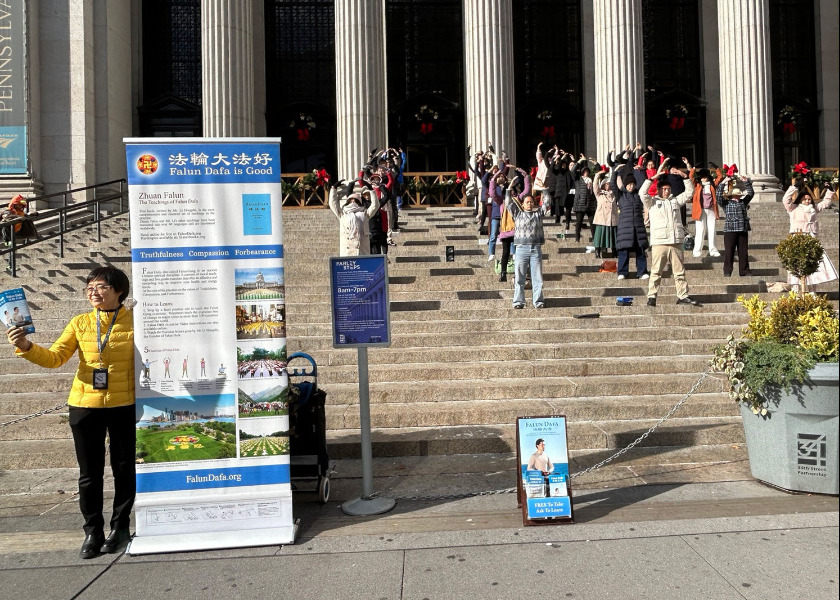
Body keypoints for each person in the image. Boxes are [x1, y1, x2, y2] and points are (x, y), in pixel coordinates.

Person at [6, 266, 135, 559]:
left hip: (123, 405)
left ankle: (120, 527)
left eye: (101, 286)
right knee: (89, 473)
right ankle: (93, 530)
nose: (93, 292)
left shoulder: (136, 322)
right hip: (84, 406)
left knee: (124, 469)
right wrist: (25, 346)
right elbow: (55, 358)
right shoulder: (80, 322)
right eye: (89, 287)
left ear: (119, 290)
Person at [640, 160, 699, 307]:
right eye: (664, 189)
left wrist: (684, 176)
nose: (666, 191)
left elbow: (689, 192)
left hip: (676, 240)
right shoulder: (652, 202)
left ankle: (683, 295)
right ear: (659, 190)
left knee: (679, 272)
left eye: (668, 189)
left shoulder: (675, 201)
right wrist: (652, 178)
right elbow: (642, 193)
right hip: (660, 241)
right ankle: (652, 296)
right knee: (656, 272)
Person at [782, 180, 837, 288]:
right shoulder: (793, 208)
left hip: (811, 237)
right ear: (800, 199)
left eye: (809, 199)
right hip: (798, 236)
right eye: (804, 199)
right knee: (796, 263)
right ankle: (796, 288)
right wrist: (794, 187)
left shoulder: (814, 209)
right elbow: (785, 199)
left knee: (814, 263)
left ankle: (812, 289)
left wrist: (829, 190)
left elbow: (825, 202)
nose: (807, 201)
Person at [506, 175, 548, 309]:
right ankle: (518, 301)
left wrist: (544, 189)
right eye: (527, 202)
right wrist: (509, 187)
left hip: (535, 249)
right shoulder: (517, 214)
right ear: (522, 204)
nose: (529, 204)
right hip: (521, 249)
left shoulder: (538, 214)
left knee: (537, 277)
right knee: (519, 277)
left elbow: (547, 204)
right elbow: (508, 203)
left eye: (531, 202)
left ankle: (538, 301)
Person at [611, 160, 649, 280]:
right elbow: (613, 185)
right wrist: (615, 172)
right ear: (625, 185)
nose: (631, 186)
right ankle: (622, 272)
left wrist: (641, 171)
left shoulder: (639, 195)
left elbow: (645, 184)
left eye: (633, 184)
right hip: (624, 227)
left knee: (640, 250)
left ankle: (642, 272)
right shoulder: (621, 195)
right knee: (623, 251)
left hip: (638, 226)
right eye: (629, 184)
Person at [328, 180, 381, 256]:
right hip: (347, 252)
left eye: (355, 200)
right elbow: (332, 204)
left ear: (359, 202)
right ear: (347, 202)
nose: (353, 202)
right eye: (350, 201)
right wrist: (333, 189)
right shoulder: (343, 214)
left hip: (362, 250)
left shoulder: (365, 214)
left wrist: (371, 190)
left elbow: (375, 205)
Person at [717, 176, 755, 277]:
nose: (736, 196)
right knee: (729, 251)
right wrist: (723, 182)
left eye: (738, 195)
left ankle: (744, 271)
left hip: (742, 229)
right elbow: (718, 196)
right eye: (735, 195)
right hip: (730, 230)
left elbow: (751, 193)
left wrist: (746, 182)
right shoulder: (726, 203)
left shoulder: (743, 202)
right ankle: (727, 271)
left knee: (743, 251)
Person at [689, 166, 722, 257]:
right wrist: (694, 169)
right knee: (700, 230)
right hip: (700, 210)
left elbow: (719, 178)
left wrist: (717, 169)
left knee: (712, 230)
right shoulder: (697, 186)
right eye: (702, 177)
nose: (704, 179)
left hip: (711, 209)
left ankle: (713, 250)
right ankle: (697, 250)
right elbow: (691, 177)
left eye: (705, 177)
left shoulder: (712, 186)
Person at [592, 166, 617, 259]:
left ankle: (614, 251)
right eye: (606, 184)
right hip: (602, 219)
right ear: (602, 185)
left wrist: (615, 173)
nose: (608, 185)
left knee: (613, 236)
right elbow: (595, 186)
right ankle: (597, 251)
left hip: (612, 218)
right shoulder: (599, 194)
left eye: (609, 184)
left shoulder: (614, 194)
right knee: (599, 237)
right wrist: (597, 175)